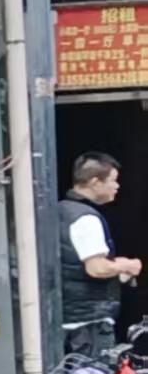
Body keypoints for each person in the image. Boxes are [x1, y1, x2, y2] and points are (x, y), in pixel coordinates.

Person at [60, 151, 142, 357]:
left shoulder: (62, 210)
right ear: (95, 182)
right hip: (89, 324)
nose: (117, 186)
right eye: (113, 180)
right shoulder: (86, 219)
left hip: (69, 318)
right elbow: (96, 268)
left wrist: (114, 268)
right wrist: (127, 265)